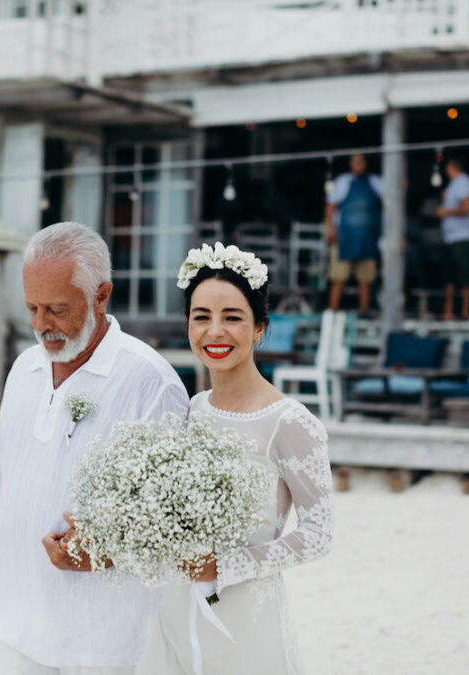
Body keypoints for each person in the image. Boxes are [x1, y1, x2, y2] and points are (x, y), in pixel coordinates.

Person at [0, 222, 190, 673]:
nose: (40, 325)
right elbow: (1, 487)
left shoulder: (151, 381)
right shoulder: (23, 370)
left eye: (56, 309)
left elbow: (175, 525)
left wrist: (105, 551)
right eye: (32, 308)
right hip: (12, 625)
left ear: (101, 295)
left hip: (103, 641)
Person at [135, 243, 334, 675]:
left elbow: (319, 534)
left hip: (247, 625)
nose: (215, 332)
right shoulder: (192, 409)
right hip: (176, 612)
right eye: (201, 317)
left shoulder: (290, 422)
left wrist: (226, 567)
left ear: (260, 327)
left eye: (232, 317)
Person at [326, 153, 383, 314]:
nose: (358, 165)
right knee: (339, 277)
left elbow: (392, 199)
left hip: (368, 238)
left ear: (366, 163)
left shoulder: (376, 182)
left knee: (366, 279)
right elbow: (330, 206)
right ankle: (332, 312)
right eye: (354, 162)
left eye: (360, 162)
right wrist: (330, 228)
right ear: (350, 164)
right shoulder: (342, 181)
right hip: (344, 237)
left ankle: (363, 312)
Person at [436, 157, 469, 320]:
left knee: (464, 274)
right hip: (451, 237)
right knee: (450, 275)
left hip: (463, 236)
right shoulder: (454, 184)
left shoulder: (463, 181)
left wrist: (446, 211)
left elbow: (468, 207)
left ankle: (465, 311)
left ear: (451, 167)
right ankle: (449, 311)